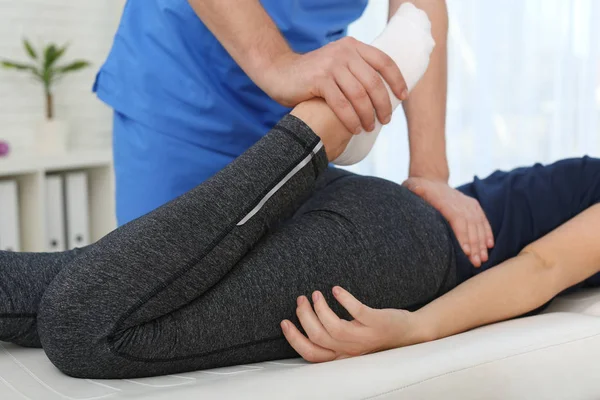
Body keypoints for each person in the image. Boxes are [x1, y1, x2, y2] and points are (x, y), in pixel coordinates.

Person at [0, 96, 598, 379]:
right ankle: (307, 136)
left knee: (35, 288)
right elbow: (542, 266)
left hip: (372, 205)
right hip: (402, 246)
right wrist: (414, 328)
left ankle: (307, 147)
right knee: (86, 328)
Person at [94, 0, 495, 269]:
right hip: (181, 91)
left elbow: (417, 14)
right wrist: (276, 64)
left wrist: (430, 173)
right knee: (148, 293)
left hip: (302, 115)